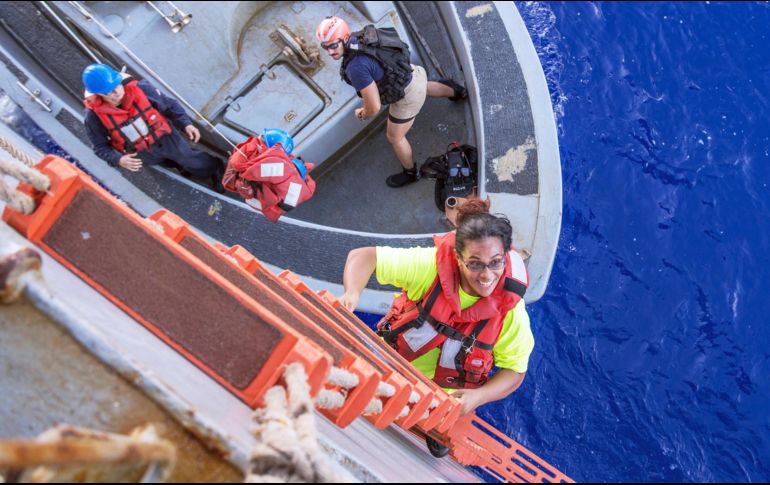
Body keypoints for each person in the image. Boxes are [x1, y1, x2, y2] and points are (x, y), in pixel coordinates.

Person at [340, 199, 533, 455]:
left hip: (442, 397)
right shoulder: (430, 267)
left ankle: (435, 421)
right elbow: (364, 256)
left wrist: (478, 397)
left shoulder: (510, 312)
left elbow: (515, 371)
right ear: (457, 257)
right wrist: (351, 295)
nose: (486, 275)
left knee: (435, 434)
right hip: (388, 363)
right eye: (475, 263)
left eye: (495, 262)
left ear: (506, 257)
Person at [316, 16, 467, 188]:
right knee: (422, 86)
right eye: (325, 47)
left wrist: (362, 113)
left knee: (395, 137)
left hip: (407, 96)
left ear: (344, 39)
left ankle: (411, 173)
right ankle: (457, 91)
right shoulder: (361, 37)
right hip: (413, 73)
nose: (329, 52)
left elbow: (373, 107)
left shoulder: (355, 68)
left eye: (333, 45)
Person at [81, 63, 223, 191]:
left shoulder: (141, 89)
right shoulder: (93, 117)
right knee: (171, 163)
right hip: (141, 152)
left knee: (188, 157)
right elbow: (100, 147)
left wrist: (185, 123)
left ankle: (215, 168)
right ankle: (185, 170)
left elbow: (170, 105)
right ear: (98, 95)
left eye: (117, 85)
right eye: (108, 92)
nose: (116, 93)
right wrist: (118, 160)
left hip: (166, 138)